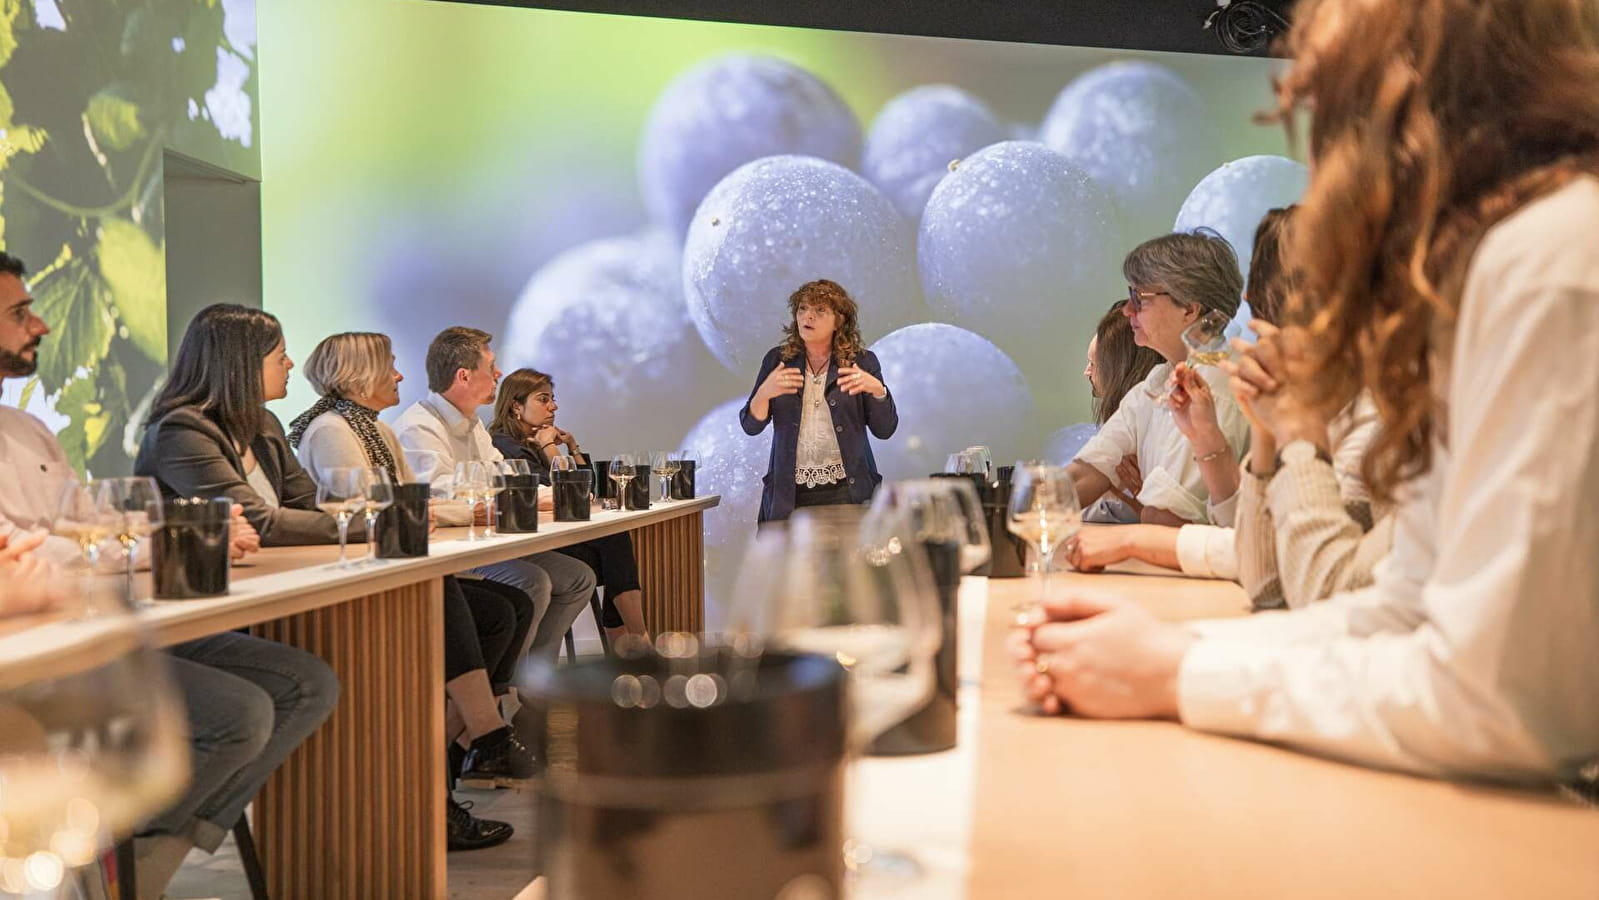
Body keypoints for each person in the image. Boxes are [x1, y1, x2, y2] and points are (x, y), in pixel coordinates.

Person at [1013, 0, 1599, 783]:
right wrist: (1176, 652)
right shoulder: (1505, 265)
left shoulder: (1548, 262)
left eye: (1331, 106)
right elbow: (1401, 608)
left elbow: (1500, 700)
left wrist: (1178, 674)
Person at [0, 276, 335, 896]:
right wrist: (167, 536)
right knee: (241, 710)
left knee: (309, 681)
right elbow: (49, 547)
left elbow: (85, 523)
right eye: (21, 311)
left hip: (92, 636)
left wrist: (180, 525)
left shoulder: (27, 429)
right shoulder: (182, 430)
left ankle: (142, 867)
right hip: (37, 663)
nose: (41, 325)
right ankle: (114, 870)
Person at [1067, 208, 1393, 612]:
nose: (1128, 311)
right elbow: (1266, 573)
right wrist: (1231, 437)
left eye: (1140, 297)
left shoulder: (1367, 416)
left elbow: (1309, 579)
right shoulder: (1165, 383)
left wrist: (1131, 538)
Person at [286, 331, 531, 848]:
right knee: (468, 604)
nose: (400, 375)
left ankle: (445, 764)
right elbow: (375, 511)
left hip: (389, 569)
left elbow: (409, 501)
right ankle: (481, 739)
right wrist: (470, 509)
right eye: (390, 365)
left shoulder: (373, 428)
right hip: (353, 583)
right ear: (359, 376)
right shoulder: (331, 430)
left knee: (509, 606)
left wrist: (457, 509)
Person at [394, 326, 596, 669]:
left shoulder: (472, 425)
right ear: (464, 376)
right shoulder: (419, 428)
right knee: (533, 581)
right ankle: (503, 687)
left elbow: (509, 477)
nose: (498, 374)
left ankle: (534, 676)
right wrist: (527, 500)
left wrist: (552, 495)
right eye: (491, 367)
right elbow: (443, 501)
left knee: (579, 577)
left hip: (482, 542)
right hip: (448, 553)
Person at [136, 304, 363, 547]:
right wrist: (378, 524)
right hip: (206, 578)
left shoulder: (265, 423)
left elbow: (309, 501)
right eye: (281, 356)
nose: (290, 364)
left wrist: (365, 518)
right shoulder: (181, 432)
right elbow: (257, 520)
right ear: (242, 365)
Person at [1068, 231, 1251, 526]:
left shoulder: (1216, 383)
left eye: (1140, 298)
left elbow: (1165, 518)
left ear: (1190, 309)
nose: (1127, 310)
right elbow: (1083, 476)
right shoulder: (1156, 382)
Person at [489, 367, 650, 643]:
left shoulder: (535, 440)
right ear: (516, 406)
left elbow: (594, 495)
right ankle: (636, 640)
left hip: (556, 540)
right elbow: (570, 497)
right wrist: (550, 448)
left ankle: (629, 642)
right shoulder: (504, 446)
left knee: (617, 551)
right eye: (543, 399)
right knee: (615, 546)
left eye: (553, 398)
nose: (554, 406)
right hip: (532, 547)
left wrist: (573, 448)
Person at [740, 279, 897, 524]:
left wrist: (877, 390)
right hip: (790, 495)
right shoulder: (777, 360)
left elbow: (885, 430)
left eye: (819, 310)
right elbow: (751, 427)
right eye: (803, 309)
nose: (808, 316)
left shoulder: (862, 362)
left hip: (848, 491)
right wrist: (764, 393)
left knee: (848, 563)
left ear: (840, 320)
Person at [1081, 300, 1163, 523]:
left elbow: (1112, 506)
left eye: (1094, 364)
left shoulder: (1155, 403)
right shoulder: (1145, 398)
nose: (1086, 372)